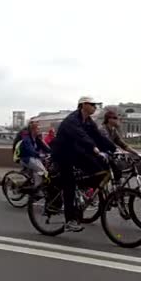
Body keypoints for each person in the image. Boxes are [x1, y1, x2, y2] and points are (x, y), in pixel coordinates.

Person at [51, 96, 116, 232]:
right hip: (63, 154)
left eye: (95, 105)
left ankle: (82, 191)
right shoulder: (72, 120)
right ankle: (70, 220)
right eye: (92, 104)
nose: (95, 107)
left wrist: (114, 149)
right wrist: (94, 148)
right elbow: (81, 135)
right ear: (83, 105)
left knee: (98, 169)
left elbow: (98, 136)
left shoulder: (88, 121)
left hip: (76, 153)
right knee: (69, 184)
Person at [99, 109, 141, 181]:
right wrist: (118, 151)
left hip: (108, 156)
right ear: (109, 119)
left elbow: (123, 145)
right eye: (115, 118)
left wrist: (137, 153)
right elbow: (107, 143)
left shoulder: (113, 130)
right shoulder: (102, 130)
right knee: (114, 173)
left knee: (117, 173)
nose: (118, 120)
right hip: (101, 156)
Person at [19, 120, 51, 193]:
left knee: (46, 170)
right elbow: (30, 150)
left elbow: (45, 148)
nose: (39, 130)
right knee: (42, 171)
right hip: (26, 158)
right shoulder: (27, 138)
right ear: (33, 130)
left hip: (34, 158)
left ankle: (35, 184)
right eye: (38, 128)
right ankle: (36, 190)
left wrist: (53, 152)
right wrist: (39, 154)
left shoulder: (37, 138)